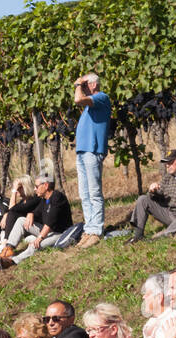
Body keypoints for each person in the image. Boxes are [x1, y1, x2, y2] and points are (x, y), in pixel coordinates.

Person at [0, 174, 78, 267]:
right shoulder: (44, 199)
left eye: (36, 186)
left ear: (46, 185)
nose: (35, 189)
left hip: (59, 234)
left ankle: (12, 261)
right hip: (47, 231)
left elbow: (49, 223)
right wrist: (31, 214)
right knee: (21, 220)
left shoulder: (57, 197)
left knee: (35, 245)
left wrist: (39, 238)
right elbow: (37, 212)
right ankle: (8, 249)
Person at [73, 72, 112, 248]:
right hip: (82, 151)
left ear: (94, 84)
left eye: (86, 83)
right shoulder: (90, 106)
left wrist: (77, 85)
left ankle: (96, 230)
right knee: (84, 194)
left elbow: (78, 100)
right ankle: (89, 229)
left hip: (92, 150)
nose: (82, 86)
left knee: (94, 192)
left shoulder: (101, 98)